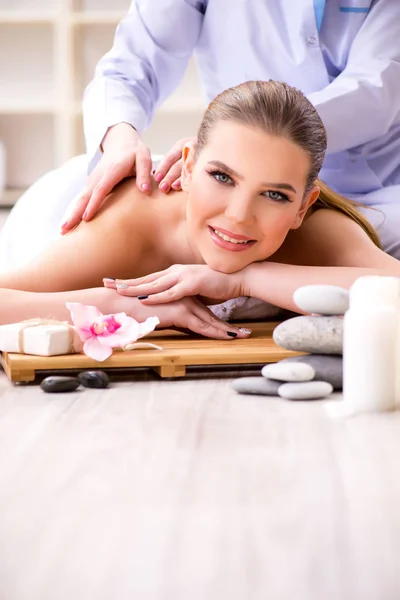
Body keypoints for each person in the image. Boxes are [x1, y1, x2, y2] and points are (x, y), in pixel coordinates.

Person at [1, 0, 399, 273]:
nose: (240, 215)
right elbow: (131, 64)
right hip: (226, 158)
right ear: (189, 166)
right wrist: (120, 139)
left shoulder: (329, 230)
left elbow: (376, 92)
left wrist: (241, 139)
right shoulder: (135, 220)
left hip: (381, 190)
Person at [0, 81, 398, 338]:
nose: (240, 216)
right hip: (73, 206)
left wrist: (249, 280)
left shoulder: (316, 228)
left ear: (301, 207)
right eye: (223, 177)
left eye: (275, 195)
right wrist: (121, 304)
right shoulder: (128, 230)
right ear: (188, 168)